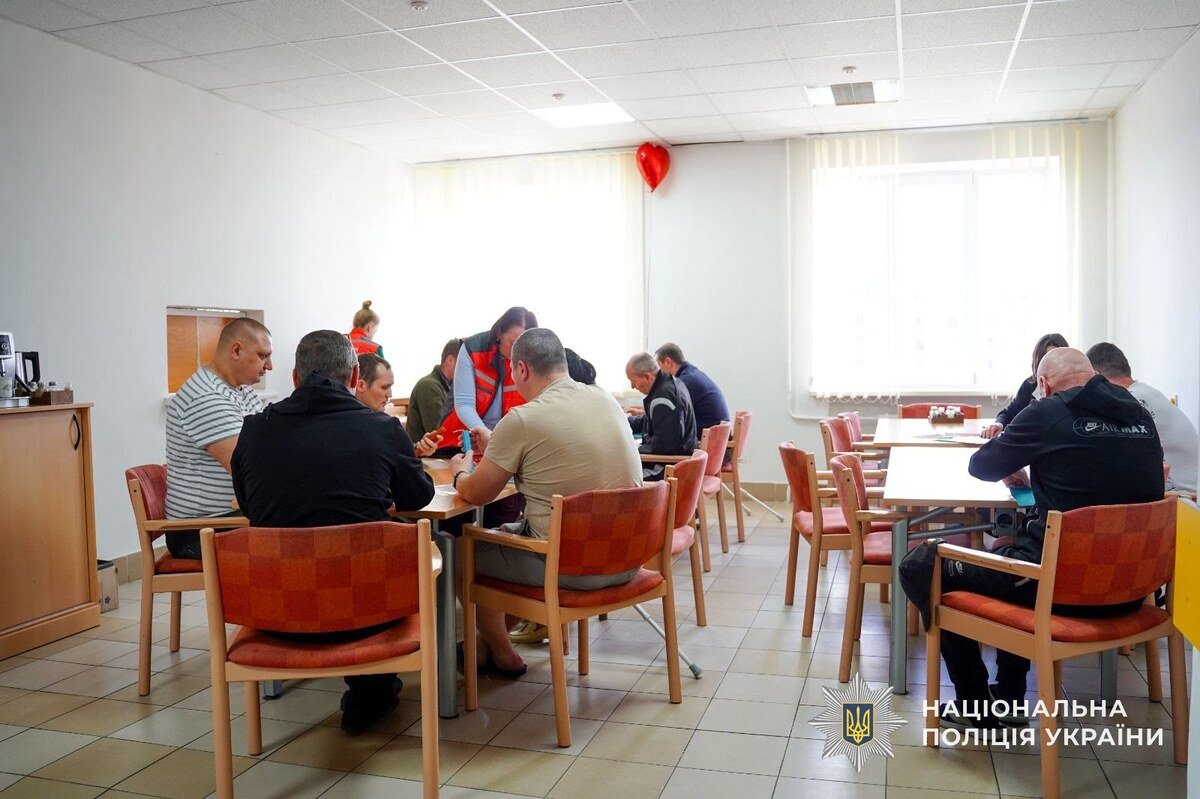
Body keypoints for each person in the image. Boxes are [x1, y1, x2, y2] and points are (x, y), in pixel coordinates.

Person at [901, 348, 1164, 731]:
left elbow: (982, 466)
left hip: (1057, 589)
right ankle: (1008, 697)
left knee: (923, 564)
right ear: (1094, 375)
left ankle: (978, 707)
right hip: (1131, 592)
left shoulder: (1047, 412)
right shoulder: (1141, 416)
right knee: (1013, 552)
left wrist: (1026, 454)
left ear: (1043, 384)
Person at [232, 330, 434, 735]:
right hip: (369, 615)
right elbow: (419, 496)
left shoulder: (253, 431)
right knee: (422, 547)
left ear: (295, 378)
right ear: (355, 375)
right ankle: (373, 689)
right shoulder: (382, 428)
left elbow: (252, 507)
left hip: (276, 611)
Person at [449, 328, 642, 676]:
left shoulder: (524, 418)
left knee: (463, 551)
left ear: (522, 369)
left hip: (569, 568)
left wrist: (460, 473)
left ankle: (503, 655)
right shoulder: (605, 400)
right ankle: (483, 646)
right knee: (507, 537)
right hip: (628, 557)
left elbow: (477, 494)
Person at [165, 318, 273, 558]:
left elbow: (271, 442)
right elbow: (250, 471)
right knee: (296, 538)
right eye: (263, 356)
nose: (269, 366)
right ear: (236, 350)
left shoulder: (241, 391)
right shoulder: (206, 397)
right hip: (199, 530)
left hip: (229, 518)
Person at [434, 307, 538, 527]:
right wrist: (487, 436)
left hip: (505, 443)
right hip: (467, 440)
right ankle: (463, 546)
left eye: (522, 345)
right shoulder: (473, 349)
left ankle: (492, 542)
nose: (516, 351)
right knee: (460, 508)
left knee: (505, 505)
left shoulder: (529, 358)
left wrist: (499, 441)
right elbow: (464, 404)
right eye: (513, 343)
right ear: (499, 332)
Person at [1087, 342, 1198, 493]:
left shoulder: (1130, 401)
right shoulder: (1144, 393)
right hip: (1185, 494)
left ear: (1096, 377)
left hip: (1182, 498)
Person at [625, 352, 698, 481]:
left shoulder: (663, 398)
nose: (632, 387)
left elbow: (665, 447)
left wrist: (635, 450)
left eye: (633, 381)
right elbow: (652, 422)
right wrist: (623, 422)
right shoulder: (670, 383)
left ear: (647, 376)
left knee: (619, 478)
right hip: (673, 460)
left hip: (668, 467)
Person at [981, 333, 1068, 439]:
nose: (1046, 366)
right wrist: (998, 424)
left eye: (1052, 361)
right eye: (1042, 360)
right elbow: (1009, 413)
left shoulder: (1071, 388)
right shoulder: (1030, 384)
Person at [655, 343, 730, 432]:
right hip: (718, 435)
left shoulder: (685, 382)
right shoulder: (692, 374)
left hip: (706, 436)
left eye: (658, 366)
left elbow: (667, 415)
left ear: (668, 362)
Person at [406, 337, 460, 443]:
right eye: (466, 363)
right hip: (429, 452)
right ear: (450, 360)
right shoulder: (429, 386)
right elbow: (438, 433)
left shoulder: (450, 386)